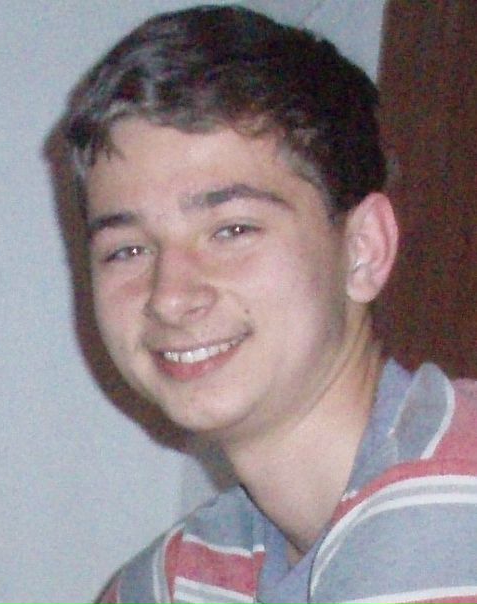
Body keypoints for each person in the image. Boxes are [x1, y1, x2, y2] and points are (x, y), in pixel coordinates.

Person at [64, 5, 477, 603]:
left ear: (363, 250)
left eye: (232, 230)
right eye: (128, 249)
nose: (170, 296)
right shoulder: (182, 576)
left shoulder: (456, 503)